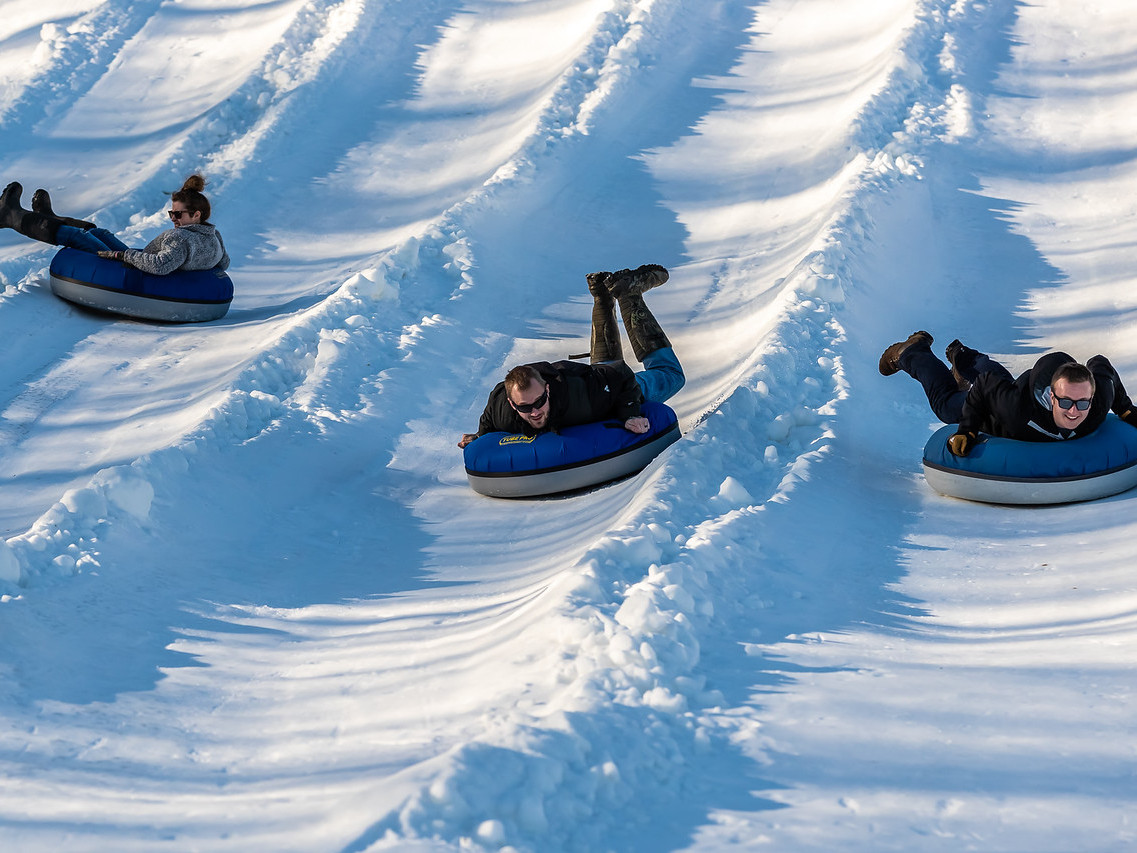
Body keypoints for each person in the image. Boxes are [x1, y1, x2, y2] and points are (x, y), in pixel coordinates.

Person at [458, 263, 685, 448]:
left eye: (539, 402)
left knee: (671, 375)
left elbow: (620, 374)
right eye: (525, 407)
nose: (535, 412)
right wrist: (480, 437)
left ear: (547, 390)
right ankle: (602, 293)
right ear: (512, 404)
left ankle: (630, 295)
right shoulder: (502, 411)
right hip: (596, 383)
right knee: (601, 372)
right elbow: (490, 414)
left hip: (614, 386)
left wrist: (630, 413)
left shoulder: (577, 397)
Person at [879, 330, 1137, 456]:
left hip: (1015, 388)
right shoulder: (1016, 410)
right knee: (947, 407)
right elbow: (986, 385)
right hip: (1005, 400)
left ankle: (966, 358)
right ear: (1052, 397)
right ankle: (913, 353)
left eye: (1082, 403)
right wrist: (967, 429)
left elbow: (1102, 366)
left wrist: (1126, 409)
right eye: (1066, 402)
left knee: (1005, 384)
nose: (1074, 412)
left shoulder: (1098, 402)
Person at [0, 175, 229, 275]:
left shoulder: (181, 238)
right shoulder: (213, 236)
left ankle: (11, 216)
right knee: (100, 232)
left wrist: (124, 256)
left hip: (130, 271)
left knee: (77, 237)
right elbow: (223, 263)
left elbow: (160, 266)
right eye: (171, 213)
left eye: (178, 214)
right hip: (137, 265)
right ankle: (50, 217)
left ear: (196, 215)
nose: (173, 219)